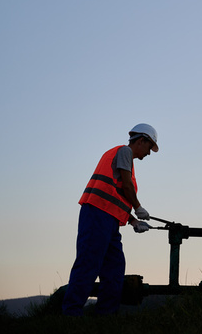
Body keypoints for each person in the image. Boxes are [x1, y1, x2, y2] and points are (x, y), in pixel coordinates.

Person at [62, 123, 159, 316]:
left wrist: (133, 221)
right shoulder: (124, 152)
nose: (149, 153)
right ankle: (71, 314)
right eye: (149, 147)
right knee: (89, 263)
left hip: (109, 220)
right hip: (97, 215)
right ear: (141, 141)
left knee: (114, 268)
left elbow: (117, 196)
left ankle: (106, 315)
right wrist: (138, 207)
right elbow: (127, 186)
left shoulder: (124, 157)